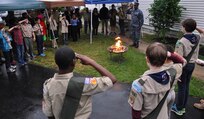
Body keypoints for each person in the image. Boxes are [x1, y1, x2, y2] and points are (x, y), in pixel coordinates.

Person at [42, 46, 117, 119]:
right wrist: (91, 62)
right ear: (73, 62)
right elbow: (112, 79)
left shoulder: (48, 84)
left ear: (56, 62)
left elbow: (49, 113)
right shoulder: (84, 83)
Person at [128, 42, 184, 119]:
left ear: (147, 59)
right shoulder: (171, 74)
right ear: (165, 60)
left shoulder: (138, 84)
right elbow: (181, 61)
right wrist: (168, 54)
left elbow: (136, 112)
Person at [172, 19, 204, 116]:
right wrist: (195, 27)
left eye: (182, 26)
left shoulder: (181, 42)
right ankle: (183, 105)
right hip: (192, 65)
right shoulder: (197, 37)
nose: (181, 27)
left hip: (184, 66)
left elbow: (178, 59)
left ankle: (179, 108)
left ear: (185, 28)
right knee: (186, 85)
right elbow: (202, 32)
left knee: (181, 87)